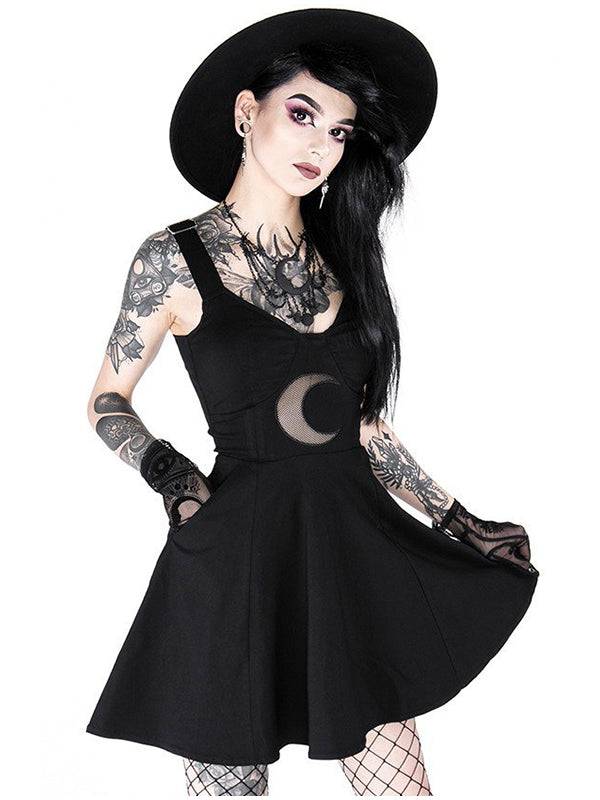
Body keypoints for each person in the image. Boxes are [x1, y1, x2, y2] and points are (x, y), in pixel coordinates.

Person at [84, 9, 539, 796]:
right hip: (235, 553)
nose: (321, 146)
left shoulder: (345, 256)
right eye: (302, 114)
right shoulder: (173, 260)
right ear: (246, 112)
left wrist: (457, 520)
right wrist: (171, 474)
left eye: (339, 132)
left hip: (352, 549)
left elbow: (363, 428)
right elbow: (106, 399)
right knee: (232, 784)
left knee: (400, 783)